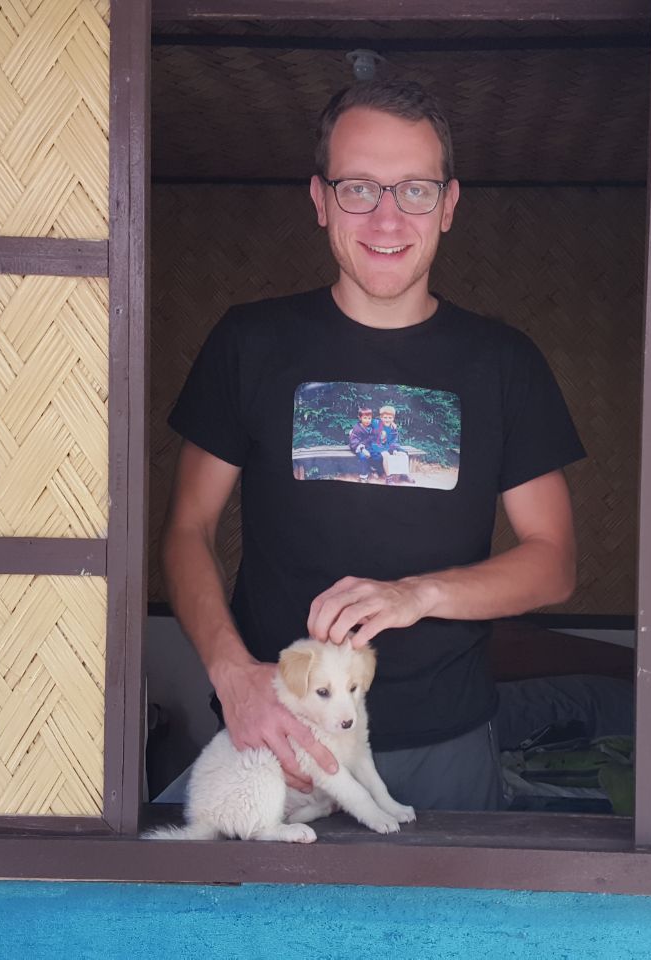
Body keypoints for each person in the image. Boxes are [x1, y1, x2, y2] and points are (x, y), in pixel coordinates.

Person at [162, 79, 585, 811]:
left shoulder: (502, 362)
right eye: (358, 188)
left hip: (448, 740)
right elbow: (186, 531)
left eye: (415, 190)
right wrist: (234, 680)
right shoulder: (250, 342)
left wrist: (416, 595)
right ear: (320, 200)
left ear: (448, 204)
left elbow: (554, 563)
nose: (387, 217)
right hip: (280, 733)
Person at [347, 405, 385, 481]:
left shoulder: (372, 427)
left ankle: (373, 469)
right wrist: (363, 449)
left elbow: (376, 435)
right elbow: (354, 441)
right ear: (360, 418)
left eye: (369, 418)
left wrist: (381, 434)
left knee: (378, 456)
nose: (367, 420)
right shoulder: (357, 428)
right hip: (359, 447)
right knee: (363, 457)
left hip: (370, 447)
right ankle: (363, 476)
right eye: (365, 418)